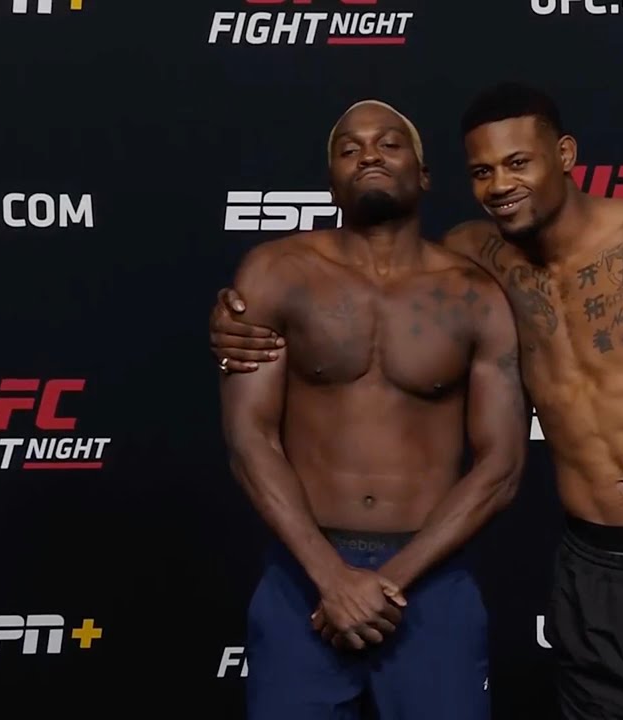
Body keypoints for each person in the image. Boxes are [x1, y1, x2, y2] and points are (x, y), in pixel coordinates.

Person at [212, 83, 623, 719]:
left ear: (565, 155)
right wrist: (232, 321)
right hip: (593, 566)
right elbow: (382, 282)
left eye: (518, 162)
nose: (501, 185)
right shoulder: (477, 257)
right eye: (483, 172)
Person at [218, 98, 527, 720]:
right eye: (349, 148)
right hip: (303, 575)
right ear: (331, 180)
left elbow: (502, 466)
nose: (368, 155)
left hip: (432, 580)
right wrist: (331, 577)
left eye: (389, 143)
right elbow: (251, 440)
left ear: (424, 173)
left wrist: (387, 583)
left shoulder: (475, 294)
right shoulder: (276, 273)